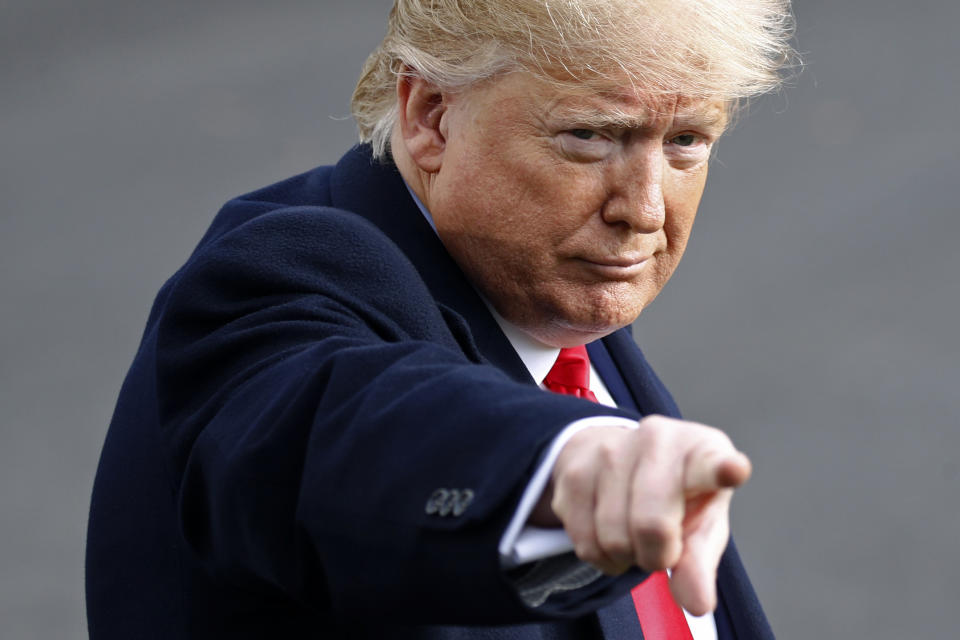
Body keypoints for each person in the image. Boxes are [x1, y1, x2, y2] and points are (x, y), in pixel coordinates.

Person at [86, 0, 795, 638]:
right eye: (588, 134)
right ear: (430, 117)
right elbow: (345, 428)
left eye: (686, 142)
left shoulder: (552, 288)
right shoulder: (280, 273)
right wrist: (555, 468)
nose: (642, 211)